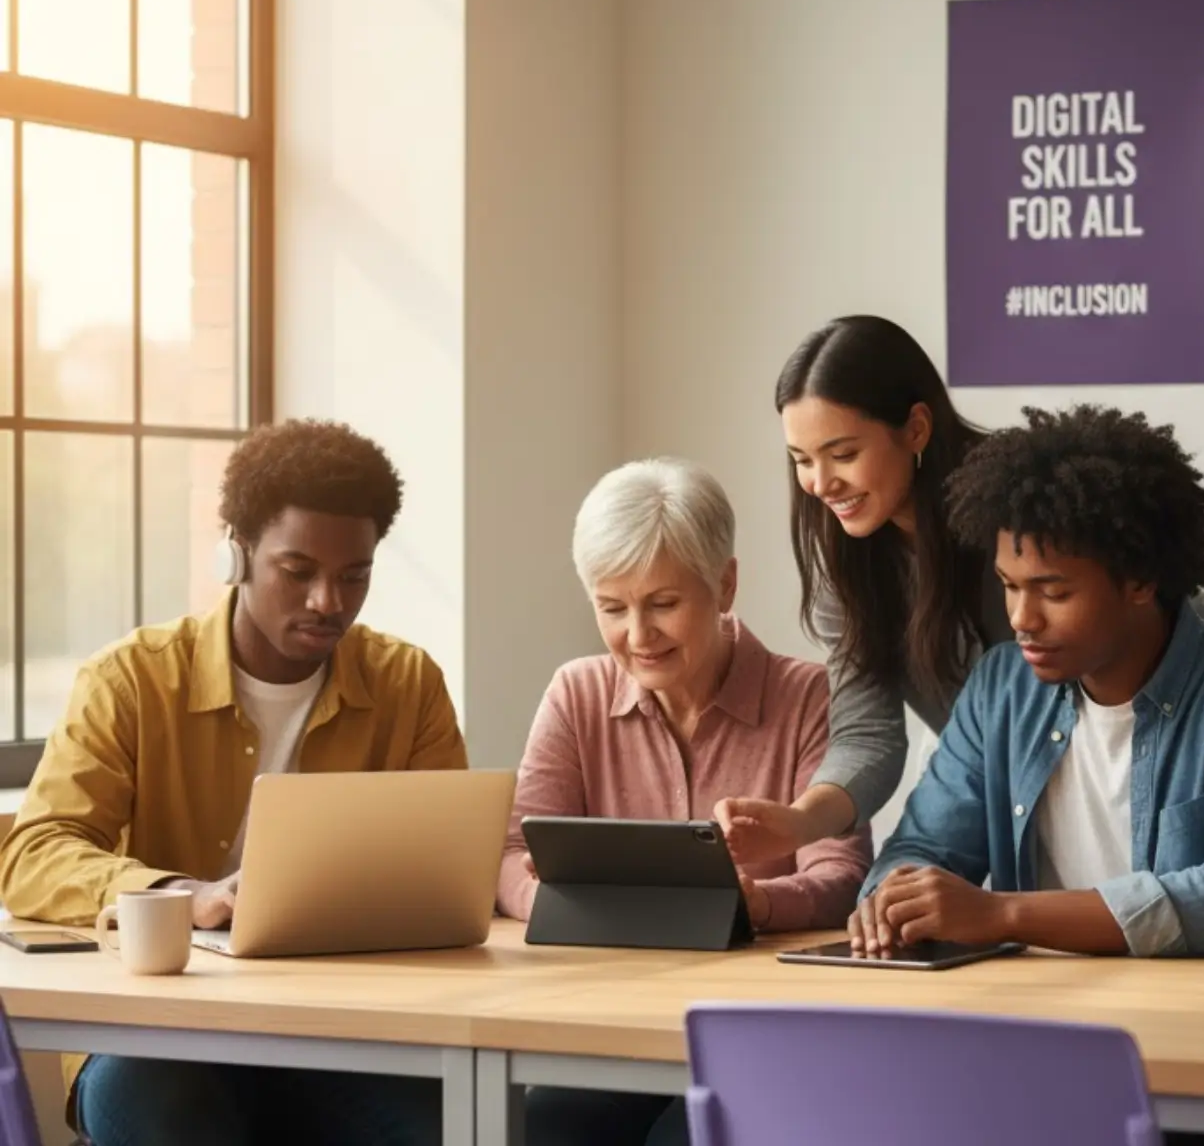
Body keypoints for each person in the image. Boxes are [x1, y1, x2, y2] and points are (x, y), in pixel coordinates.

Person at [0, 418, 465, 1146]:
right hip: (162, 1036)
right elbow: (34, 854)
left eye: (354, 576)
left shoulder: (408, 686)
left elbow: (448, 869)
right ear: (236, 551)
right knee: (156, 1104)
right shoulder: (133, 679)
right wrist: (184, 894)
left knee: (465, 1122)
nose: (327, 602)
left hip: (349, 1032)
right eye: (298, 570)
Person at [718, 316, 1204, 865]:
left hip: (1145, 781)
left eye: (842, 455)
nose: (820, 483)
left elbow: (1188, 645)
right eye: (801, 461)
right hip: (1012, 811)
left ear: (915, 428)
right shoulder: (850, 573)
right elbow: (868, 737)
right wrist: (800, 822)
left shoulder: (1033, 503)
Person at [849, 404, 1204, 960]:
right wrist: (891, 899)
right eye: (1009, 585)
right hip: (1032, 1010)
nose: (1020, 619)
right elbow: (924, 846)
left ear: (1140, 581)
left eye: (1054, 593)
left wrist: (1003, 914)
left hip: (1199, 1017)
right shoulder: (1001, 688)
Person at [499, 458, 871, 1146]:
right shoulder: (576, 693)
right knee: (534, 1126)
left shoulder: (809, 696)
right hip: (604, 1027)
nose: (638, 636)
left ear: (725, 585)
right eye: (612, 608)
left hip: (759, 1035)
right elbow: (514, 852)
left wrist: (754, 904)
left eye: (663, 604)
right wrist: (558, 901)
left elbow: (842, 879)